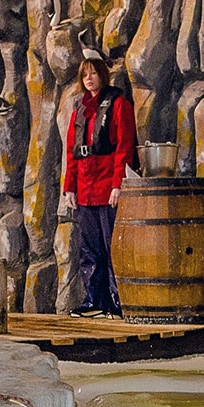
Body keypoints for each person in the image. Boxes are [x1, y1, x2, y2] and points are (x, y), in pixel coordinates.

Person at [60, 58, 138, 318]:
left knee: (112, 246)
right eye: (85, 76)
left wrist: (118, 184)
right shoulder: (79, 111)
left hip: (108, 187)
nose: (89, 79)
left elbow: (124, 147)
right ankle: (94, 300)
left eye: (93, 74)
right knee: (89, 249)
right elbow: (72, 153)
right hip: (85, 189)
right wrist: (69, 188)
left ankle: (118, 302)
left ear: (103, 76)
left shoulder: (118, 105)